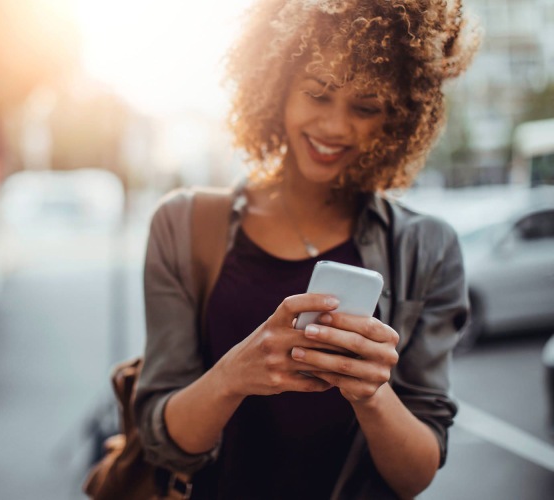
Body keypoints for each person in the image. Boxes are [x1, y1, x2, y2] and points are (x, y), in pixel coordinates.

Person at [133, 0, 482, 498]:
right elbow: (160, 440)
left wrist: (371, 394)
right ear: (274, 86)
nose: (336, 127)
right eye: (318, 94)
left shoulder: (429, 248)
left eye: (366, 107)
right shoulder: (183, 224)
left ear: (401, 117)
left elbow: (416, 475)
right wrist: (235, 374)